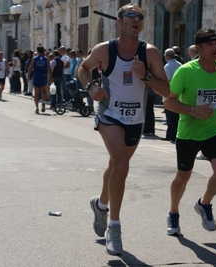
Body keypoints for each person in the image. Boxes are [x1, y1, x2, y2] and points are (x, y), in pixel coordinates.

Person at [78, 3, 169, 255]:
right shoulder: (105, 50)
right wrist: (91, 88)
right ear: (119, 22)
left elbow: (167, 90)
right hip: (109, 115)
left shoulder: (149, 53)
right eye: (131, 15)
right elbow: (82, 68)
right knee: (121, 166)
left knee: (115, 167)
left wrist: (147, 77)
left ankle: (100, 205)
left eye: (140, 16)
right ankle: (114, 228)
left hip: (135, 120)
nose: (136, 19)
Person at [164, 28, 216, 236]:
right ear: (199, 49)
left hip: (214, 130)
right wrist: (192, 110)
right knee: (182, 177)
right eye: (210, 45)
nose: (215, 48)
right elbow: (168, 102)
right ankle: (173, 212)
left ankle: (204, 204)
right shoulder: (186, 71)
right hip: (188, 132)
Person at [161, 48, 182, 142]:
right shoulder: (180, 65)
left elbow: (168, 81)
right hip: (180, 94)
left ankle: (170, 135)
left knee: (170, 117)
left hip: (170, 94)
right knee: (176, 117)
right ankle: (175, 134)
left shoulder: (167, 66)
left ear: (166, 56)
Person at [27, 45, 52, 114]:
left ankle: (37, 108)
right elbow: (49, 68)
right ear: (44, 51)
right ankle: (43, 102)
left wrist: (28, 76)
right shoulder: (46, 59)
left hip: (36, 76)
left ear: (37, 51)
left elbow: (30, 67)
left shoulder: (34, 58)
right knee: (44, 92)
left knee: (36, 93)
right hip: (43, 76)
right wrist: (50, 77)